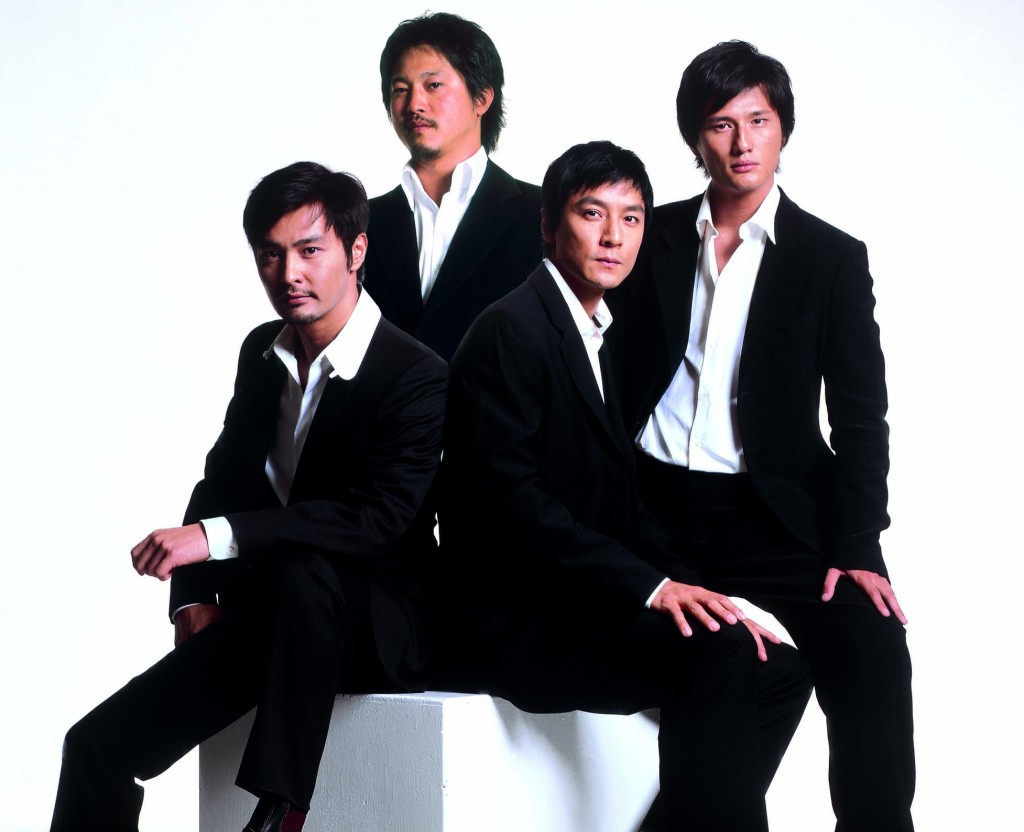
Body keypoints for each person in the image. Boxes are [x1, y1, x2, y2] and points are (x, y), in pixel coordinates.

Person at [50, 162, 448, 832]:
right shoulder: (262, 353)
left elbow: (375, 521)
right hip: (271, 621)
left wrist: (215, 538)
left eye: (309, 251)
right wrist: (192, 595)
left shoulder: (415, 373)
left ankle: (279, 812)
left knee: (307, 569)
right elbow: (222, 481)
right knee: (96, 749)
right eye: (270, 254)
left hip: (373, 627)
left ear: (356, 251)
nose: (288, 273)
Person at [438, 141, 812, 831]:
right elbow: (514, 504)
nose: (614, 236)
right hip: (522, 621)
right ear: (549, 224)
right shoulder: (510, 330)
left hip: (580, 603)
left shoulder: (594, 333)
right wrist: (652, 588)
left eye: (632, 218)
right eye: (592, 214)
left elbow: (619, 494)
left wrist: (710, 595)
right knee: (721, 654)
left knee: (781, 668)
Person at [610, 41, 915, 830]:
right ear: (696, 137)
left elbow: (862, 414)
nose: (742, 142)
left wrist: (856, 543)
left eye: (759, 120)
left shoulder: (830, 258)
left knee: (873, 646)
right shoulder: (650, 236)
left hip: (775, 516)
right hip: (656, 512)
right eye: (722, 124)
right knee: (728, 668)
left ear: (783, 129)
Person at [364, 11, 542, 362]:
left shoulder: (543, 215)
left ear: (482, 98)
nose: (414, 104)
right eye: (401, 89)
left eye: (433, 85)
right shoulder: (358, 221)